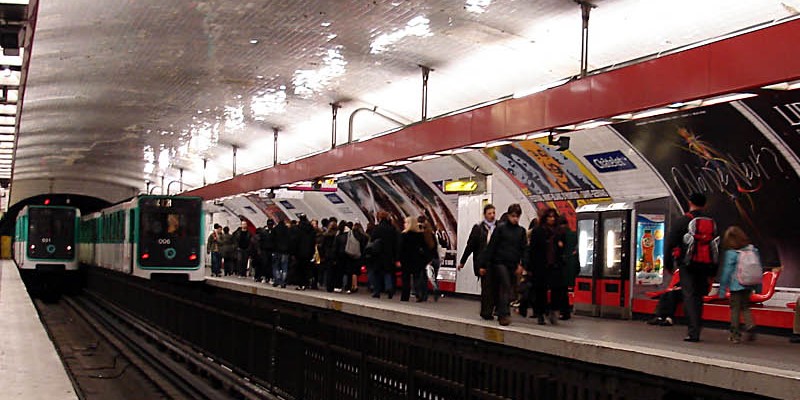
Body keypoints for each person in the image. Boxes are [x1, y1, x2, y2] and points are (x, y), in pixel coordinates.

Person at [668, 192, 718, 342]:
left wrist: (669, 265)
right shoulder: (712, 222)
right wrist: (714, 270)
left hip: (688, 264)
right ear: (705, 204)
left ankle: (693, 331)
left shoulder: (683, 221)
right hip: (706, 265)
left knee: (689, 296)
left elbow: (671, 242)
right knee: (698, 297)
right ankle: (697, 328)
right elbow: (717, 246)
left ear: (689, 202)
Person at [480, 204, 527, 326]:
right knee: (505, 286)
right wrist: (484, 264)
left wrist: (522, 264)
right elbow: (492, 247)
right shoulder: (501, 229)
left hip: (513, 264)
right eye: (513, 216)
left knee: (508, 288)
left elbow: (524, 249)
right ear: (508, 215)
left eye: (517, 216)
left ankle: (501, 311)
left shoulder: (521, 231)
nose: (515, 219)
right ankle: (504, 314)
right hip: (499, 262)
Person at [718, 226, 759, 343]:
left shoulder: (731, 253)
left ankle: (735, 335)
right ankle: (750, 324)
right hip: (748, 284)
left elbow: (727, 272)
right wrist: (758, 286)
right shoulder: (752, 250)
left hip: (736, 286)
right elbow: (757, 269)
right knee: (745, 306)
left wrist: (722, 289)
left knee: (735, 309)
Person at [528, 208, 568, 325]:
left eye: (553, 217)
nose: (552, 219)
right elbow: (533, 250)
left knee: (557, 289)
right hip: (541, 265)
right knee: (541, 290)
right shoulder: (538, 231)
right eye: (549, 217)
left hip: (555, 264)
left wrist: (561, 247)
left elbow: (564, 247)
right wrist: (530, 266)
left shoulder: (559, 232)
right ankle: (540, 313)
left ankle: (553, 310)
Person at [458, 204, 497, 320]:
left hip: (496, 262)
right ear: (485, 215)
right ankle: (486, 312)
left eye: (493, 213)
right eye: (489, 213)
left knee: (495, 287)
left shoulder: (499, 227)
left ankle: (492, 309)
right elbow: (470, 246)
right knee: (486, 288)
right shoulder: (478, 229)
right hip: (482, 262)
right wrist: (463, 261)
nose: (492, 215)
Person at [366, 211, 399, 298]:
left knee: (377, 273)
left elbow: (372, 240)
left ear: (379, 218)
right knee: (387, 272)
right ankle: (389, 288)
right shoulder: (392, 229)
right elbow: (396, 243)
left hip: (378, 254)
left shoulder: (377, 228)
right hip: (389, 255)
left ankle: (376, 291)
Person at [399, 216, 430, 302]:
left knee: (406, 279)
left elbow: (400, 249)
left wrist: (398, 259)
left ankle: (405, 296)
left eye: (406, 223)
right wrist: (425, 259)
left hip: (406, 260)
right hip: (417, 260)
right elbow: (425, 248)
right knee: (417, 278)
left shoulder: (403, 235)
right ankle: (418, 295)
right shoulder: (419, 235)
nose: (404, 224)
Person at [559, 216, 579, 320]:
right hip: (572, 265)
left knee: (561, 291)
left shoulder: (560, 235)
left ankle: (563, 312)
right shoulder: (574, 235)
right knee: (565, 290)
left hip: (562, 266)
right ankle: (565, 312)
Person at [293, 215, 317, 290]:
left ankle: (300, 284)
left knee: (299, 268)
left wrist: (294, 251)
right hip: (308, 251)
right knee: (306, 268)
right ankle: (305, 283)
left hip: (299, 252)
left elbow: (295, 241)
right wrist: (312, 251)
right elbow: (313, 241)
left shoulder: (298, 228)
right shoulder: (311, 229)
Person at [418, 216, 439, 302]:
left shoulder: (421, 236)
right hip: (435, 258)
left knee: (423, 278)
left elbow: (422, 249)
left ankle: (424, 295)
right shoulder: (432, 235)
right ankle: (436, 288)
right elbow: (435, 247)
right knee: (434, 277)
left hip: (426, 260)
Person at [322, 220, 342, 292]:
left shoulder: (326, 235)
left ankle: (329, 286)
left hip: (327, 254)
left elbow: (323, 246)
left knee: (329, 271)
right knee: (335, 271)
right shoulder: (338, 236)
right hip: (335, 255)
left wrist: (323, 254)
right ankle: (335, 285)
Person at [272, 219, 290, 288]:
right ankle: (283, 282)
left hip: (276, 251)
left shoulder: (275, 229)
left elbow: (272, 240)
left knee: (276, 266)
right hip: (285, 252)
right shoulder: (287, 230)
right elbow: (290, 241)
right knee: (284, 267)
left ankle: (277, 280)